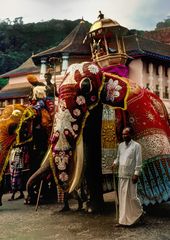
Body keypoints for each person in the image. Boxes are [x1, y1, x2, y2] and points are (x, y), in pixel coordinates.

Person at [112, 127, 144, 226]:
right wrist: (114, 163)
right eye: (123, 134)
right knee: (122, 199)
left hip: (131, 176)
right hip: (121, 175)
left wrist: (136, 174)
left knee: (132, 198)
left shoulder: (136, 146)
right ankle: (122, 221)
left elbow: (138, 161)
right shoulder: (120, 146)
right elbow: (118, 157)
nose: (124, 136)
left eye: (126, 134)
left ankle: (139, 212)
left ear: (131, 134)